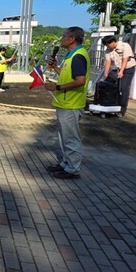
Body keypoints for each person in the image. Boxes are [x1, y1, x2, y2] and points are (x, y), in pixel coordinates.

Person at [44, 27, 90, 180]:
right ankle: (66, 163)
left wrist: (56, 87)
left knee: (71, 138)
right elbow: (67, 76)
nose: (62, 38)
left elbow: (80, 81)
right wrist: (56, 67)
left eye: (64, 36)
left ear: (72, 39)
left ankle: (72, 169)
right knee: (65, 137)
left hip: (71, 104)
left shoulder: (78, 56)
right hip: (65, 103)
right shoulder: (71, 56)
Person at [101, 35, 136, 117]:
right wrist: (106, 73)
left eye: (108, 45)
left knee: (123, 88)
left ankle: (122, 110)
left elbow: (125, 59)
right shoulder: (108, 50)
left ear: (113, 42)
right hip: (118, 69)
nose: (107, 47)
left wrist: (121, 71)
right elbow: (108, 62)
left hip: (128, 69)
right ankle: (109, 106)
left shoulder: (125, 46)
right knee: (109, 85)